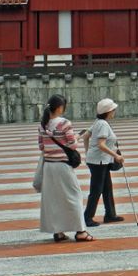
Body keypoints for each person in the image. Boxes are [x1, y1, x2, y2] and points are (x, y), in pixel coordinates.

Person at [38, 94, 94, 242]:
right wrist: (77, 137)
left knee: (55, 199)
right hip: (62, 166)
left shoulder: (42, 124)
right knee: (74, 197)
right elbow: (72, 145)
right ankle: (81, 231)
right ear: (60, 107)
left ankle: (58, 232)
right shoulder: (64, 123)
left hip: (48, 167)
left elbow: (41, 146)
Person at [81, 98, 126, 227]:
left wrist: (87, 152)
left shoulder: (98, 122)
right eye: (113, 110)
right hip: (98, 162)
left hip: (99, 161)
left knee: (107, 188)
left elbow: (85, 136)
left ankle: (110, 214)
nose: (114, 112)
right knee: (96, 189)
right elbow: (101, 144)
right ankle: (87, 217)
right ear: (108, 111)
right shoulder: (103, 124)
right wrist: (116, 156)